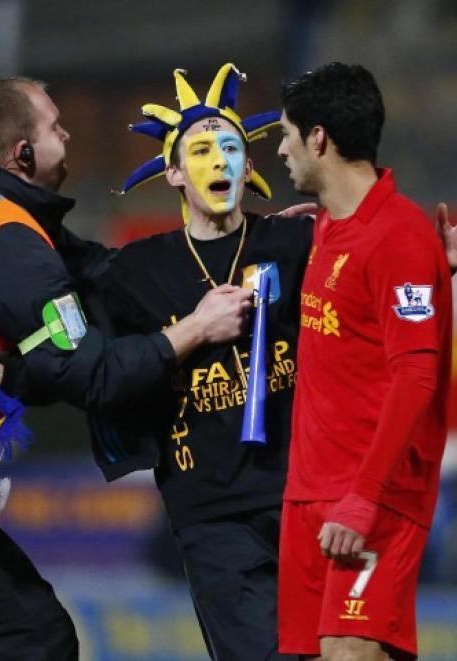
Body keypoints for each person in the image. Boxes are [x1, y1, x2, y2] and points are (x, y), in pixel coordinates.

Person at [0, 76, 251, 659]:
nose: (67, 136)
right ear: (23, 154)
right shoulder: (5, 244)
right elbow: (92, 375)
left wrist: (257, 241)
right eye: (55, 127)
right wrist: (195, 328)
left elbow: (104, 273)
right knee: (37, 638)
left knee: (35, 632)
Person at [92, 63, 312, 661]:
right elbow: (97, 368)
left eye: (233, 147)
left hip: (308, 498)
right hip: (212, 513)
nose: (220, 161)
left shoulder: (299, 244)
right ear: (172, 173)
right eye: (201, 149)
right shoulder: (133, 272)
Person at [277, 62, 452, 661]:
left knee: (350, 653)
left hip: (369, 500)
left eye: (285, 134)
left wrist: (364, 497)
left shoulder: (400, 236)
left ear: (318, 138)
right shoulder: (330, 227)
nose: (280, 150)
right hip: (310, 497)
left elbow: (418, 375)